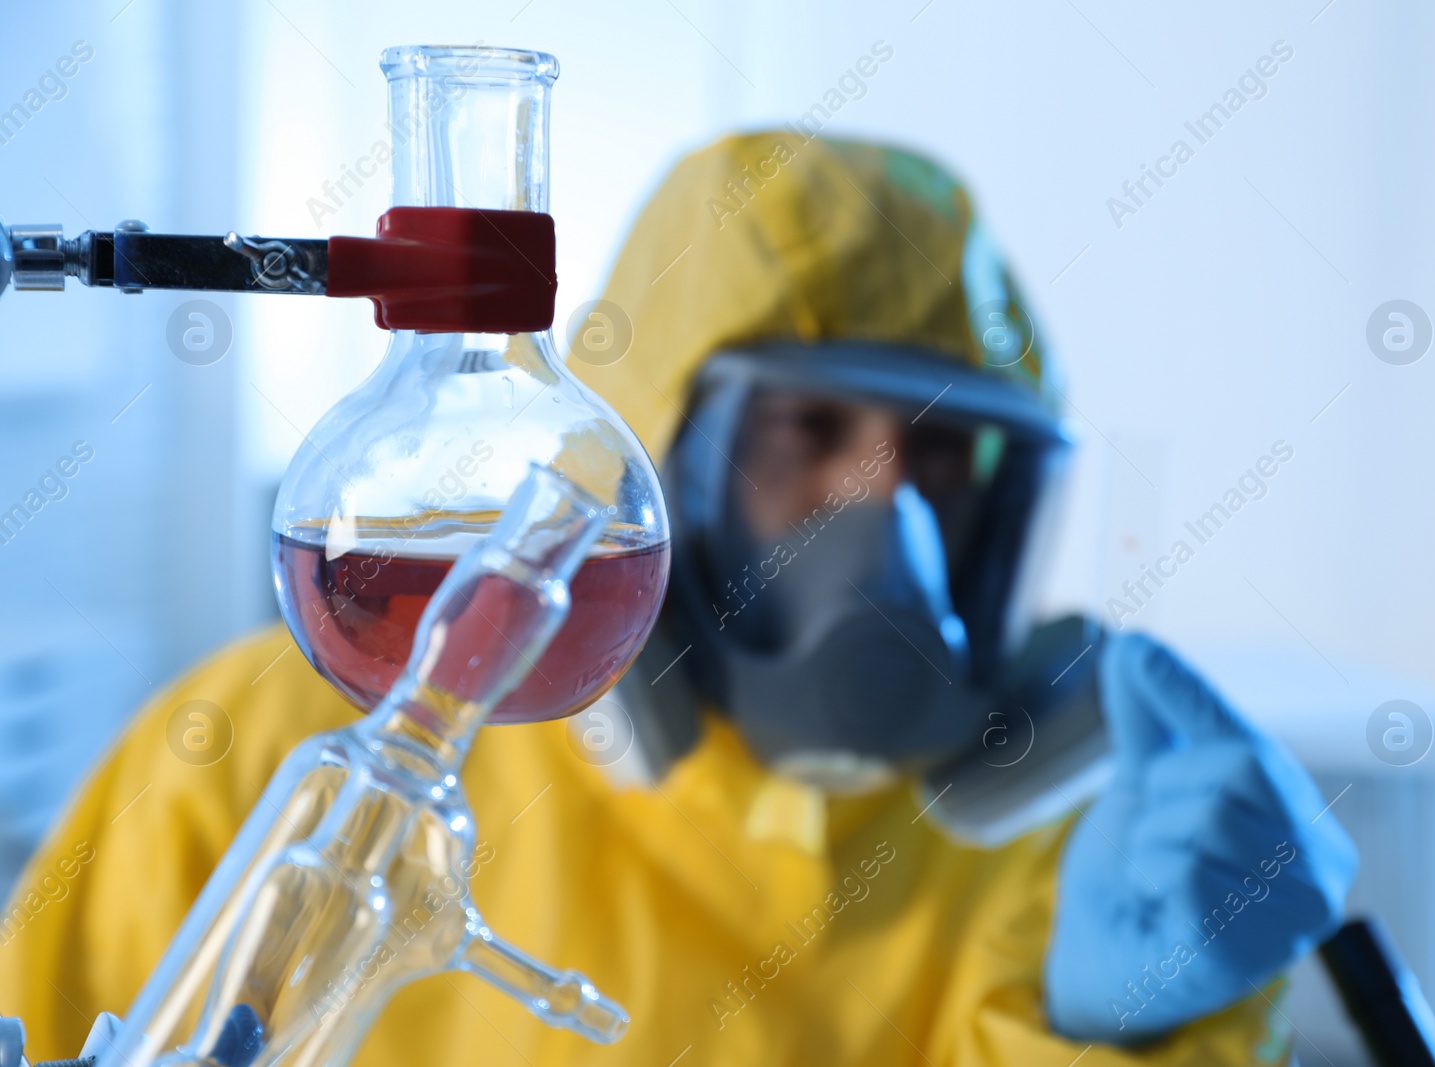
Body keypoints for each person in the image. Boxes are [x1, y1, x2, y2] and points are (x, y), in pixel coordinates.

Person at [0, 133, 1354, 1065]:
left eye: (939, 454)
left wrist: (1133, 1038)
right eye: (808, 435)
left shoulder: (1051, 862)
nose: (879, 516)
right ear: (654, 457)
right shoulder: (261, 750)